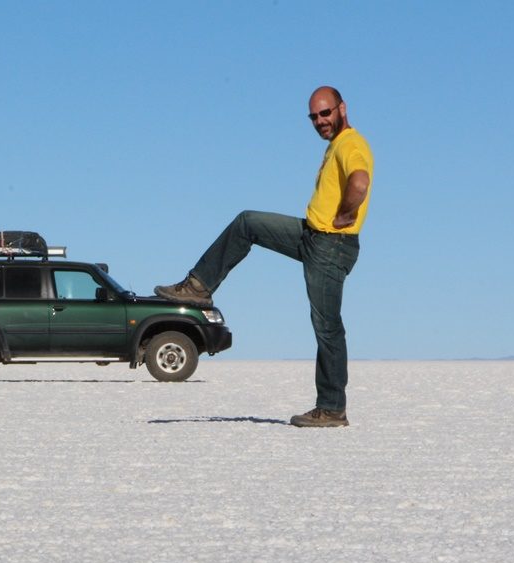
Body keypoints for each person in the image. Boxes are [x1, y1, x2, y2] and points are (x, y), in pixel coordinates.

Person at [154, 86, 373, 428]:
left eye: (325, 113)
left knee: (327, 326)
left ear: (343, 108)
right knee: (248, 223)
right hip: (310, 235)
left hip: (331, 246)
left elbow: (359, 182)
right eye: (314, 117)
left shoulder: (351, 144)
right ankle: (198, 286)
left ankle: (332, 408)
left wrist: (346, 213)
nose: (320, 121)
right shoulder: (335, 146)